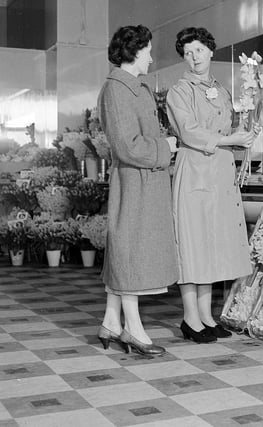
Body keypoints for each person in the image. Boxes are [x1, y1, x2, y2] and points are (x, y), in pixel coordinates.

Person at [166, 27, 258, 343]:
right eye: (188, 53)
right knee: (193, 246)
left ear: (210, 51)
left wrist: (244, 131)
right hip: (194, 172)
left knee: (211, 247)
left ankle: (206, 316)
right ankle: (190, 318)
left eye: (199, 51)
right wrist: (229, 139)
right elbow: (189, 132)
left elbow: (228, 127)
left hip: (218, 173)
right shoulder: (179, 91)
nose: (194, 58)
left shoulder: (220, 90)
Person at [96, 25, 178, 356]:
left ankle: (111, 322)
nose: (152, 57)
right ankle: (133, 329)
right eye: (148, 51)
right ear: (133, 52)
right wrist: (166, 145)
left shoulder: (133, 88)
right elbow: (128, 146)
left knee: (127, 252)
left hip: (144, 183)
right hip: (134, 185)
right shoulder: (117, 90)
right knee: (130, 255)